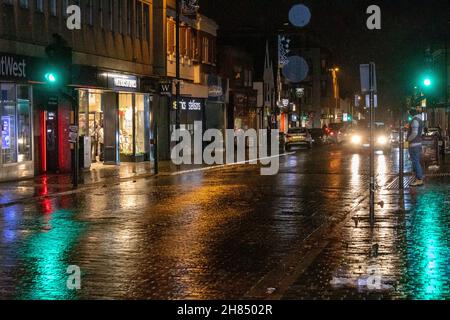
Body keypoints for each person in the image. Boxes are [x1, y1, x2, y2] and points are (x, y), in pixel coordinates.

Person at [407, 108, 424, 186]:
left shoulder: (415, 121)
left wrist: (408, 139)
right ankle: (418, 178)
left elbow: (414, 133)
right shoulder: (419, 120)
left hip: (414, 144)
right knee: (416, 161)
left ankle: (419, 179)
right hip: (418, 143)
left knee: (415, 161)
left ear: (411, 113)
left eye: (409, 113)